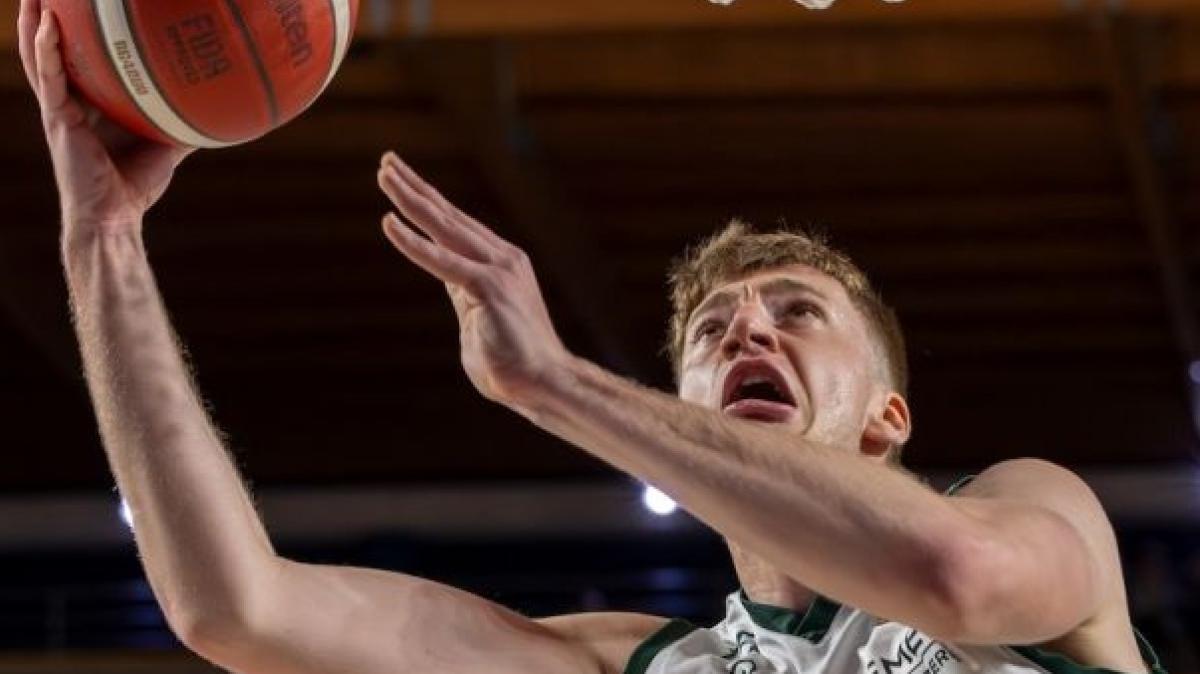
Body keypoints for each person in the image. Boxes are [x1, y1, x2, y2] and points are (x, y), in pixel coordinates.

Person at [18, 1, 1168, 673]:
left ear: (890, 413)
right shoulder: (651, 661)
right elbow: (239, 607)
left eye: (795, 311)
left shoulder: (1032, 505)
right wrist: (99, 241)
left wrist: (560, 384)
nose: (745, 329)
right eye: (713, 329)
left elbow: (953, 574)